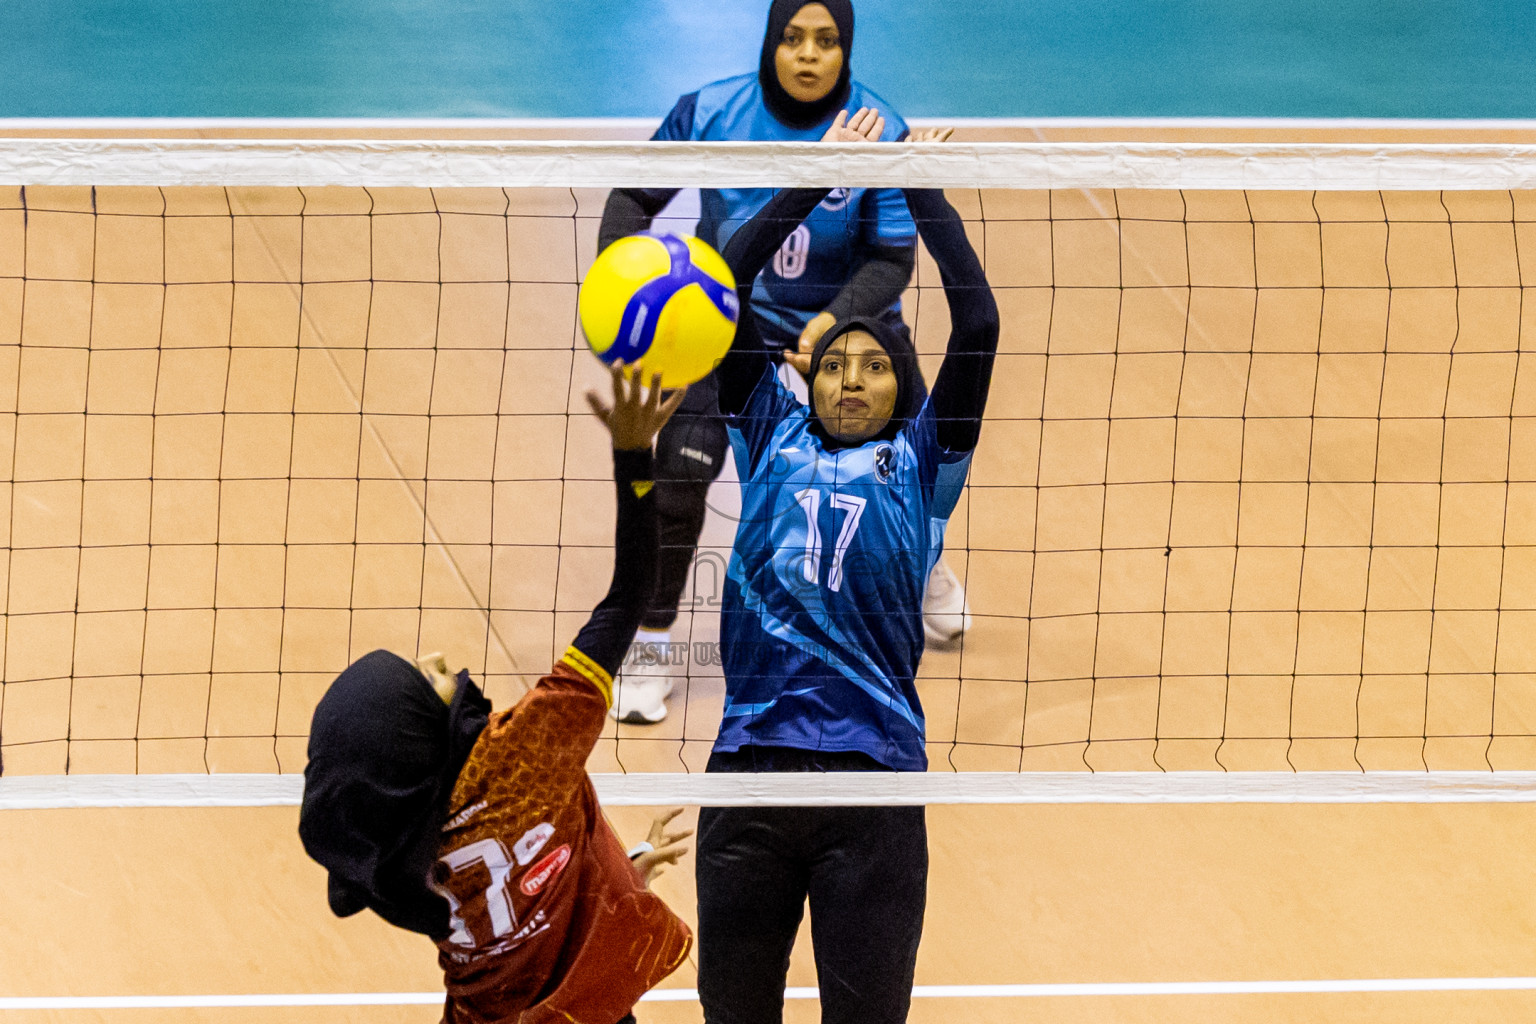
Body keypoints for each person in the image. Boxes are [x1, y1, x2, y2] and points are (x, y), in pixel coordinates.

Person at [696, 124, 999, 1023]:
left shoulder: (925, 466)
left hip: (874, 790)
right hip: (751, 777)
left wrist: (922, 190)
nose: (854, 380)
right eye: (835, 366)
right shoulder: (766, 432)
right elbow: (720, 288)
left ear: (903, 393)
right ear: (808, 382)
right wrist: (813, 179)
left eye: (875, 367)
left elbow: (977, 322)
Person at [597, 0, 971, 725]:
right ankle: (650, 642)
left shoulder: (877, 129)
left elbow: (892, 256)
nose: (808, 55)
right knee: (680, 467)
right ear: (771, 42)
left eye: (826, 41)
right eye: (793, 39)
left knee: (918, 459)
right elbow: (631, 196)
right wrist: (624, 290)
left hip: (847, 332)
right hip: (729, 324)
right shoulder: (708, 112)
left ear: (846, 50)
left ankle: (923, 568)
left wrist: (832, 327)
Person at [299, 368, 694, 1024]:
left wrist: (612, 867)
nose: (438, 662)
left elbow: (513, 879)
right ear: (420, 736)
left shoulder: (397, 861)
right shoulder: (523, 757)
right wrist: (633, 455)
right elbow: (632, 593)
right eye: (425, 680)